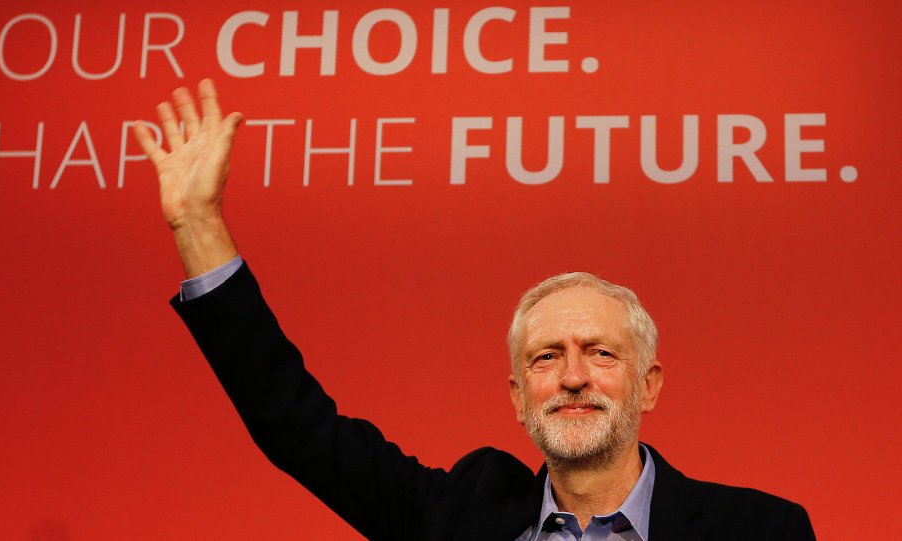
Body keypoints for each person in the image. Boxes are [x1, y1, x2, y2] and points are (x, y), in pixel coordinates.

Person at [133, 79, 816, 541]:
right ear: (518, 397)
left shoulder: (761, 530)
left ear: (649, 384)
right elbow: (296, 425)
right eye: (546, 358)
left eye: (600, 352)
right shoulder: (457, 516)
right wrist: (197, 222)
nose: (572, 376)